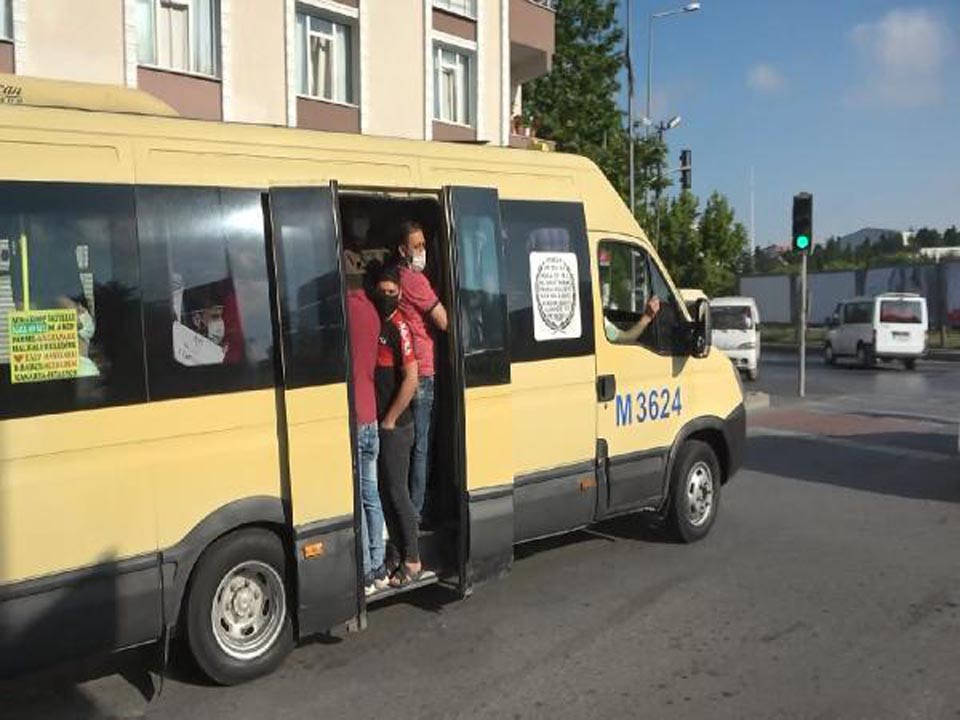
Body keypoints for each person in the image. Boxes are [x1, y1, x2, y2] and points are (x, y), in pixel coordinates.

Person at [373, 262, 423, 587]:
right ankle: (396, 553)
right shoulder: (376, 323)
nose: (388, 297)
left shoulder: (399, 327)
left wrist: (390, 419)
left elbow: (412, 379)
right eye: (383, 292)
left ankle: (414, 560)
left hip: (397, 426)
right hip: (380, 425)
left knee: (397, 493)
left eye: (393, 292)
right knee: (385, 492)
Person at [396, 220, 447, 522]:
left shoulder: (398, 277)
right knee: (422, 445)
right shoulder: (415, 281)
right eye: (417, 247)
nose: (422, 252)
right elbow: (444, 321)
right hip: (424, 372)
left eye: (424, 246)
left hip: (409, 368)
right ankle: (418, 508)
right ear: (403, 250)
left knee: (414, 442)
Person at [344, 250, 389, 596]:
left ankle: (363, 572)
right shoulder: (373, 311)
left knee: (356, 497)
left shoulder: (342, 313)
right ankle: (378, 566)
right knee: (372, 494)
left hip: (353, 418)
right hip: (371, 413)